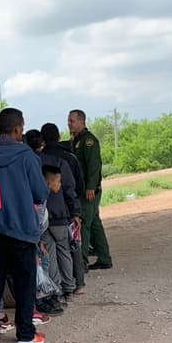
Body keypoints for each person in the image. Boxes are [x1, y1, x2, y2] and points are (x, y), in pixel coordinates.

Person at [0, 106, 49, 343]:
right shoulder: (27, 155)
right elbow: (40, 193)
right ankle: (25, 334)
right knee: (24, 283)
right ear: (18, 128)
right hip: (22, 230)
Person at [41, 122, 87, 291]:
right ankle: (73, 284)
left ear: (42, 140)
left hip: (43, 217)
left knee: (50, 254)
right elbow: (71, 188)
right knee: (68, 250)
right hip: (62, 214)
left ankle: (56, 289)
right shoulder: (66, 158)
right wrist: (75, 211)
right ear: (59, 137)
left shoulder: (35, 160)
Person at [67, 109, 112, 269]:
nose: (69, 123)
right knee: (94, 223)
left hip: (89, 190)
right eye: (69, 121)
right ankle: (104, 258)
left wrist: (91, 186)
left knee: (84, 223)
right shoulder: (76, 140)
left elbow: (94, 165)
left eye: (72, 121)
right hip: (83, 189)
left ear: (81, 121)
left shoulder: (88, 141)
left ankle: (82, 262)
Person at [40, 157, 76, 306]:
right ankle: (69, 287)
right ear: (49, 182)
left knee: (51, 257)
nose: (60, 185)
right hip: (60, 221)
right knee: (65, 253)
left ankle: (57, 290)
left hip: (46, 226)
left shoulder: (39, 192)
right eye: (58, 182)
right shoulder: (54, 193)